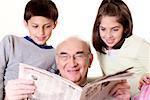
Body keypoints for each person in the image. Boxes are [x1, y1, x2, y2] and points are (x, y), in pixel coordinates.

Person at [0, 0, 59, 99]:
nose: (41, 32)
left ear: (54, 24)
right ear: (26, 24)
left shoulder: (55, 55)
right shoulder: (11, 42)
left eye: (47, 26)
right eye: (35, 26)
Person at [92, 0, 150, 97]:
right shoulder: (101, 48)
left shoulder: (139, 46)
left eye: (115, 29)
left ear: (125, 28)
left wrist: (146, 77)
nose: (108, 35)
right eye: (103, 29)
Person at [55, 36, 130, 99]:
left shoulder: (107, 88)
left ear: (90, 60)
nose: (72, 64)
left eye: (79, 56)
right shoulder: (46, 89)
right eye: (64, 56)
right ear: (57, 62)